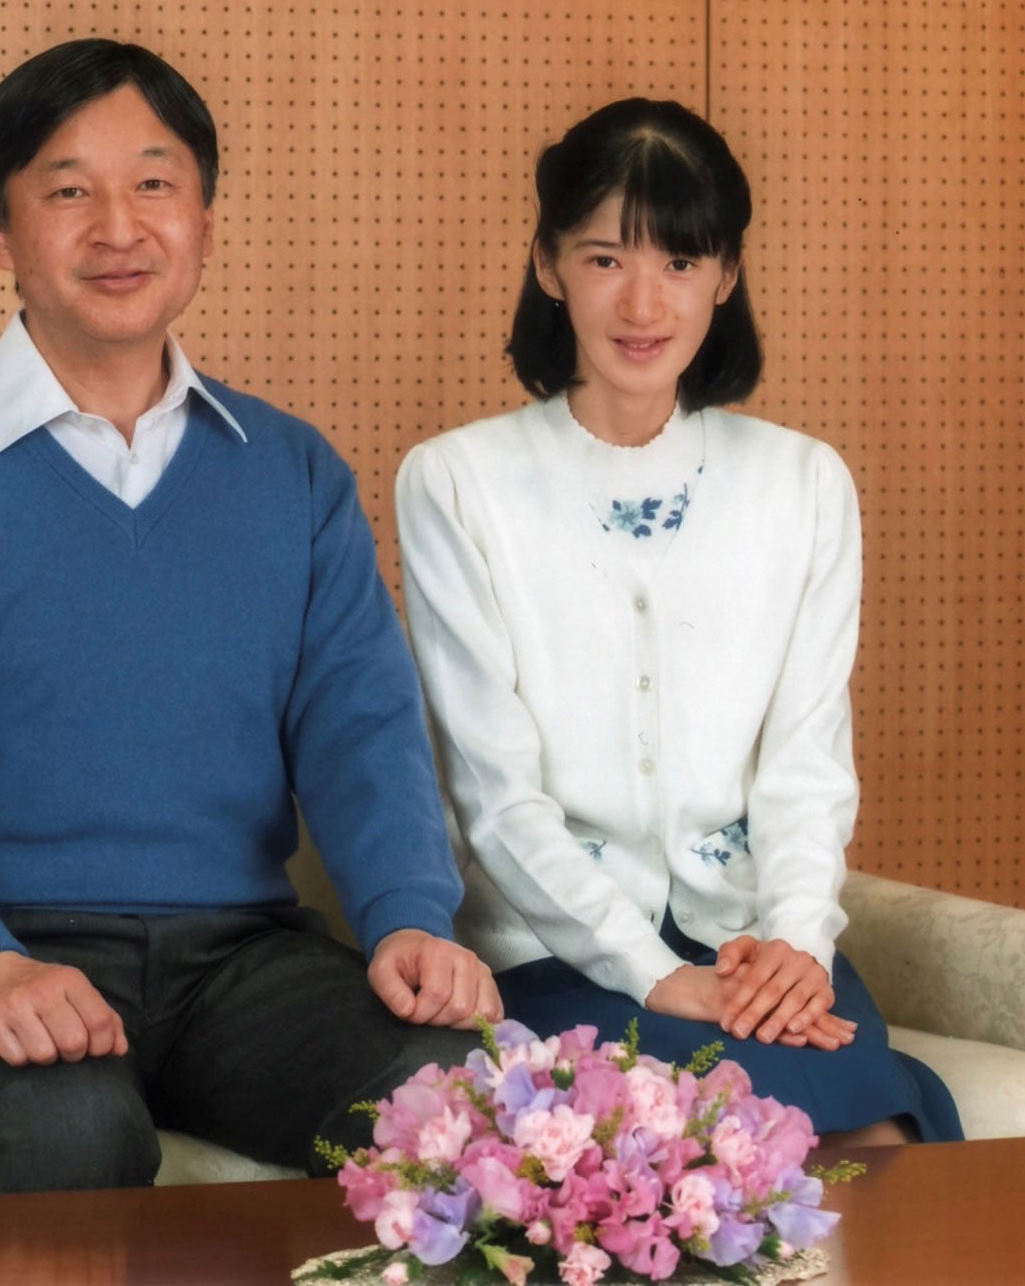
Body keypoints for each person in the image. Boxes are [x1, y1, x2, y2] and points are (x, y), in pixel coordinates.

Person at [0, 38, 497, 1197]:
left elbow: (361, 728)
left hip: (241, 964)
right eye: (67, 191)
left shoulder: (292, 473)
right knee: (63, 1135)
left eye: (153, 185)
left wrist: (410, 917)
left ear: (204, 219)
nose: (118, 227)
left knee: (459, 1106)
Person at [394, 97, 961, 1143]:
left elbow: (803, 766)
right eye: (605, 258)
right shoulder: (455, 481)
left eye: (681, 263)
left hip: (746, 949)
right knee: (698, 1157)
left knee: (874, 1145)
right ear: (547, 265)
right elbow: (493, 796)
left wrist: (791, 948)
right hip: (556, 956)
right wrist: (653, 974)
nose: (642, 302)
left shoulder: (802, 483)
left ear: (726, 277)